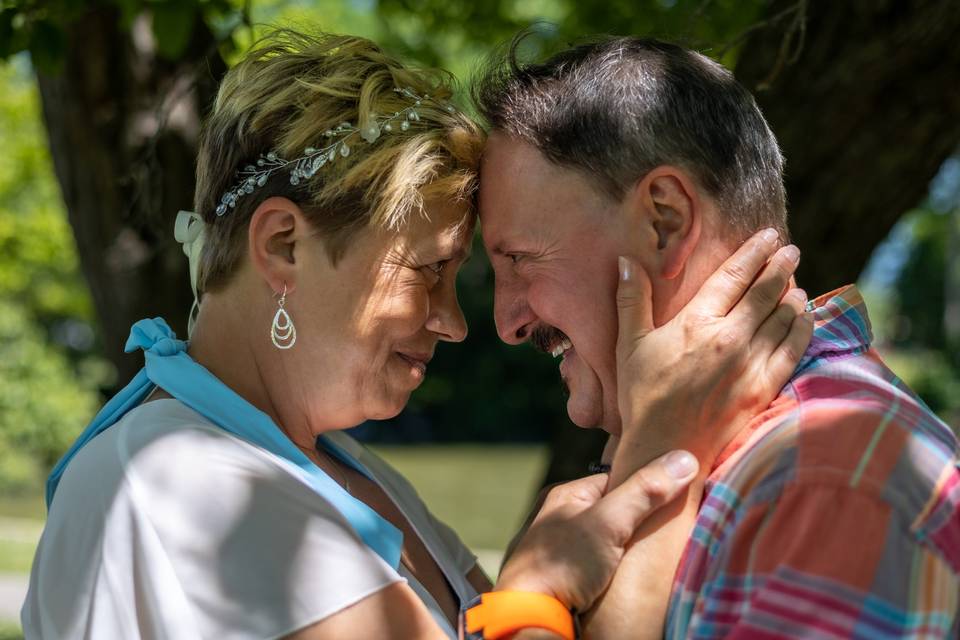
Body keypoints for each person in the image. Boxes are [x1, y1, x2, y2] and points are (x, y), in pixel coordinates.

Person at [22, 30, 805, 640]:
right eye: (426, 271)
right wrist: (663, 453)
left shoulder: (328, 464)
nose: (458, 324)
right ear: (282, 247)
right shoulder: (180, 482)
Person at [475, 35, 960, 639]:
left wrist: (526, 607)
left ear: (666, 221)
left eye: (521, 258)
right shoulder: (770, 466)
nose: (507, 323)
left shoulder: (819, 484)